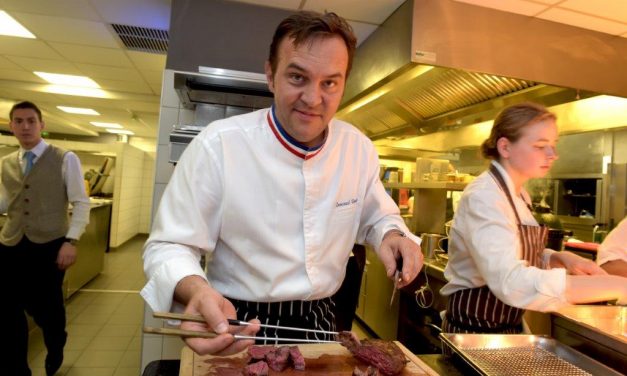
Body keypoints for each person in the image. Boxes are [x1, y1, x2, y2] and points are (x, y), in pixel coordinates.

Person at [141, 11, 422, 356]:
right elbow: (168, 245)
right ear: (271, 75)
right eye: (297, 77)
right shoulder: (219, 145)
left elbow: (378, 217)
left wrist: (393, 236)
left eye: (329, 83)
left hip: (321, 322)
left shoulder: (357, 148)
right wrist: (196, 290)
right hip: (236, 324)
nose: (313, 98)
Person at [440, 102, 627, 335]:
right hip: (473, 332)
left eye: (553, 145)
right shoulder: (485, 197)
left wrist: (556, 258)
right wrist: (618, 285)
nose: (553, 155)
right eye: (540, 146)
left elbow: (512, 249)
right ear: (505, 147)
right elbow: (510, 281)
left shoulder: (518, 195)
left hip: (505, 329)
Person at [0, 101, 90, 375]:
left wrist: (70, 241)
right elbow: (5, 202)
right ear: (11, 126)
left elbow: (80, 202)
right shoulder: (5, 163)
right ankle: (18, 368)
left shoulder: (65, 158)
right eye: (18, 121)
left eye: (30, 120)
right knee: (8, 308)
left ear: (42, 125)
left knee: (47, 309)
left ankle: (56, 341)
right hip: (11, 243)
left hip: (49, 244)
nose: (25, 126)